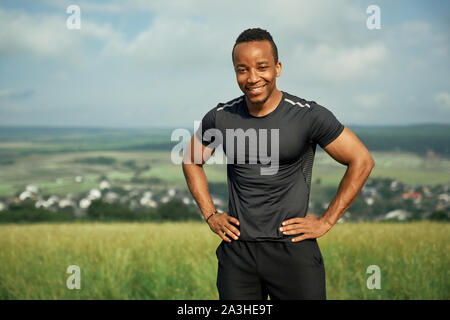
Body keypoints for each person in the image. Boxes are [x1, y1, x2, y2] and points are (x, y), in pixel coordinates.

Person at [182, 28, 374, 300]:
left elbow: (362, 160)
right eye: (242, 69)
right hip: (238, 253)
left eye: (262, 67)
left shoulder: (309, 116)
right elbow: (191, 159)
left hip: (293, 252)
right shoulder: (220, 117)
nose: (252, 78)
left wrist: (326, 221)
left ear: (278, 67)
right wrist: (211, 214)